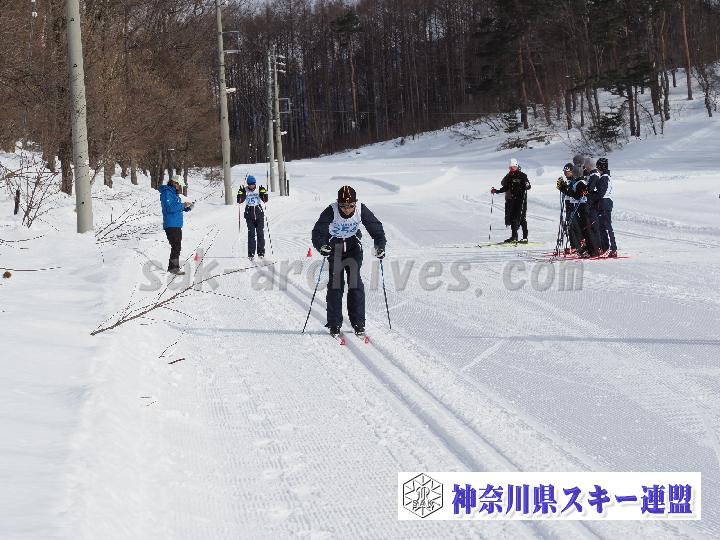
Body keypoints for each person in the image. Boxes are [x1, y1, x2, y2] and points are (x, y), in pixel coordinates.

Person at [311, 185, 386, 337]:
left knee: (355, 283)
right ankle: (334, 323)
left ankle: (358, 322)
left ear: (355, 203)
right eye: (343, 206)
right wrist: (322, 246)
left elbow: (377, 230)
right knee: (336, 284)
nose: (347, 209)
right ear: (338, 203)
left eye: (350, 205)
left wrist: (380, 246)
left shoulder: (361, 209)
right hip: (335, 247)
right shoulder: (331, 210)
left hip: (353, 247)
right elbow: (317, 232)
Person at [556, 169, 600, 258]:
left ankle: (593, 251)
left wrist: (563, 188)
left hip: (583, 208)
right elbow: (575, 193)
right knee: (583, 229)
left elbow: (576, 195)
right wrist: (563, 188)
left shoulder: (580, 182)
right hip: (581, 208)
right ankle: (587, 249)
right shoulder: (578, 182)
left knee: (587, 229)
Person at [159, 175, 193, 274]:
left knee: (177, 246)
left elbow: (176, 207)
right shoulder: (167, 193)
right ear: (174, 183)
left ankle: (173, 267)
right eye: (178, 185)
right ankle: (173, 268)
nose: (179, 187)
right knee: (176, 246)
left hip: (176, 224)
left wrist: (187, 208)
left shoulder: (174, 194)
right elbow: (169, 208)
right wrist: (182, 205)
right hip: (171, 224)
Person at [492, 158, 531, 243]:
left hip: (521, 199)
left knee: (521, 218)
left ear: (516, 166)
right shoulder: (510, 176)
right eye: (510, 167)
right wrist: (497, 191)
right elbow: (506, 187)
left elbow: (528, 186)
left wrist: (527, 185)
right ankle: (514, 237)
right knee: (513, 218)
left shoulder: (522, 175)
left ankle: (525, 238)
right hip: (514, 199)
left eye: (513, 166)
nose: (512, 168)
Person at [237, 175, 268, 260]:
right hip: (249, 214)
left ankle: (261, 252)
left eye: (253, 184)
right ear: (248, 184)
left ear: (255, 183)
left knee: (260, 233)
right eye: (250, 184)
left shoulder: (259, 189)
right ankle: (251, 253)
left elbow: (265, 200)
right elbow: (239, 201)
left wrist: (263, 193)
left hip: (259, 214)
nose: (251, 185)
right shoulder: (245, 190)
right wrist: (240, 194)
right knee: (251, 234)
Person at [594, 158, 618, 257]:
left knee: (606, 227)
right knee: (603, 227)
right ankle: (606, 247)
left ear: (601, 167)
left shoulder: (604, 178)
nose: (597, 169)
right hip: (605, 202)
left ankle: (611, 248)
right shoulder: (606, 177)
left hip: (604, 203)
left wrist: (592, 196)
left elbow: (601, 193)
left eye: (597, 167)